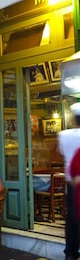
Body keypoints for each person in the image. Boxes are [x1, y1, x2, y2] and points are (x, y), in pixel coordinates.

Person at [58, 102, 80, 260]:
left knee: (72, 217)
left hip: (71, 183)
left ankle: (70, 253)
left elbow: (60, 154)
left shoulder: (64, 135)